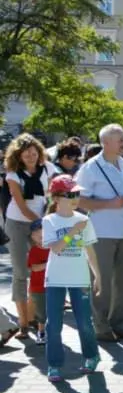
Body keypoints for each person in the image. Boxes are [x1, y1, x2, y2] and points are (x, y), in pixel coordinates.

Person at [75, 124, 123, 342]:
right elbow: (78, 200)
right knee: (101, 279)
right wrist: (109, 203)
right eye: (119, 139)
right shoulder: (90, 168)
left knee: (122, 280)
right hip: (102, 230)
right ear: (105, 143)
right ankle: (100, 326)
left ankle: (117, 322)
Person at [42, 175, 101, 382]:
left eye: (77, 193)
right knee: (53, 324)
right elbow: (56, 248)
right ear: (57, 198)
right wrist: (73, 231)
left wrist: (98, 276)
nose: (76, 197)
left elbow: (90, 251)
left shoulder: (84, 219)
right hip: (55, 279)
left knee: (84, 322)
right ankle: (54, 365)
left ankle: (92, 356)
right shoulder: (49, 220)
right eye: (71, 194)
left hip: (80, 278)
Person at [3, 133, 54, 339]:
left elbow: (52, 196)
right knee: (20, 272)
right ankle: (22, 322)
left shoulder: (48, 169)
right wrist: (41, 222)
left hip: (40, 222)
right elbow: (22, 206)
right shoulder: (13, 174)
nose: (31, 157)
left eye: (34, 153)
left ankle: (34, 316)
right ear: (18, 156)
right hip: (18, 222)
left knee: (39, 268)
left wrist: (49, 218)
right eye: (26, 154)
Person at [27, 219, 49, 345]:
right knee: (41, 313)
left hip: (53, 286)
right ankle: (41, 333)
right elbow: (35, 267)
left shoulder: (53, 248)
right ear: (33, 237)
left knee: (53, 311)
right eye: (39, 236)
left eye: (45, 236)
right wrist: (50, 263)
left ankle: (53, 333)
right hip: (38, 288)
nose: (42, 239)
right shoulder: (34, 251)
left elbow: (67, 242)